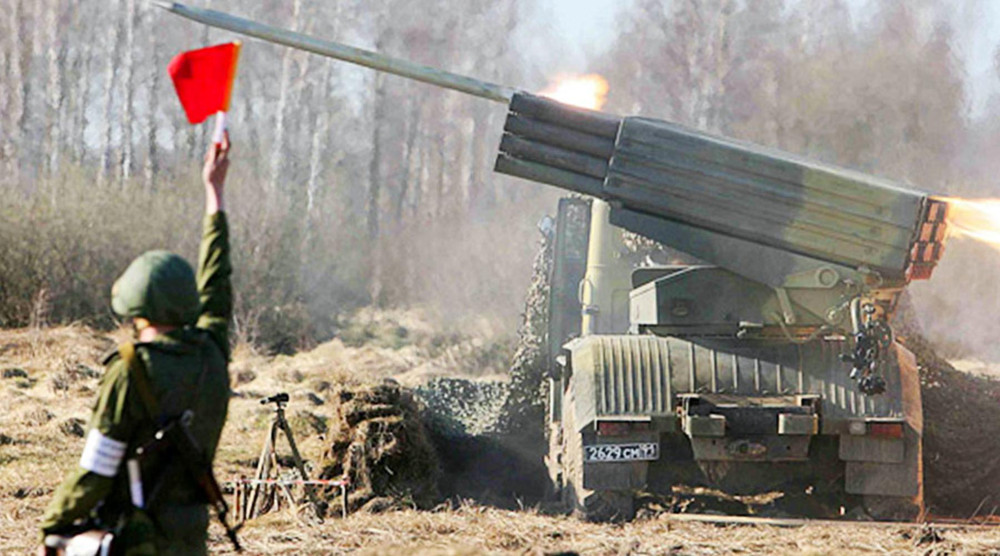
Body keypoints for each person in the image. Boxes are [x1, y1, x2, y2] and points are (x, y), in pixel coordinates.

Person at [39, 135, 234, 555]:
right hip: (191, 541)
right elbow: (217, 281)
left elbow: (96, 470)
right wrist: (214, 194)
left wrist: (53, 525)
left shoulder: (130, 370)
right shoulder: (212, 354)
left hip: (134, 542)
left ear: (136, 309)